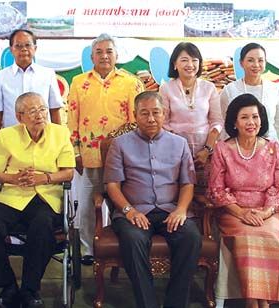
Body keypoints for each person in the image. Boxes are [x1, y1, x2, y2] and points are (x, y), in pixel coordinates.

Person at [105, 91, 201, 308]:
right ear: (134, 115)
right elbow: (112, 185)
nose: (151, 118)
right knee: (132, 239)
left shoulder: (179, 143)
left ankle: (175, 303)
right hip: (134, 211)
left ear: (164, 114)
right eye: (144, 113)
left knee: (191, 237)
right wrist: (129, 210)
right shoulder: (120, 144)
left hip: (170, 210)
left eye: (156, 113)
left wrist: (181, 210)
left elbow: (188, 183)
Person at [0, 92, 75, 308]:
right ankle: (8, 285)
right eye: (32, 111)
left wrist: (45, 178)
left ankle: (30, 289)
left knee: (43, 226)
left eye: (42, 109)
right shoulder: (6, 136)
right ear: (19, 116)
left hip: (45, 195)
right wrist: (13, 178)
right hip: (11, 195)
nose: (40, 115)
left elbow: (68, 172)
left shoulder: (60, 134)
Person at [207, 93, 279, 308]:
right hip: (233, 211)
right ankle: (253, 302)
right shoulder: (223, 149)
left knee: (269, 234)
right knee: (248, 236)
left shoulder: (273, 147)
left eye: (255, 117)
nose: (251, 123)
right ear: (234, 122)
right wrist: (242, 213)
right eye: (245, 118)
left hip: (267, 210)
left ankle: (263, 303)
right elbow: (216, 189)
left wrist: (265, 212)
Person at [67, 33, 144, 264]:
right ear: (91, 56)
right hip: (89, 156)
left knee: (124, 202)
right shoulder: (79, 82)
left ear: (117, 55)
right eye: (99, 52)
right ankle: (89, 249)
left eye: (109, 51)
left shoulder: (131, 83)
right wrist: (76, 152)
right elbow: (72, 119)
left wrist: (124, 147)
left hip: (124, 158)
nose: (104, 56)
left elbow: (136, 121)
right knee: (89, 204)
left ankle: (123, 247)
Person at [159, 42, 223, 194]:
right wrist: (181, 150)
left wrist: (207, 150)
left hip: (207, 152)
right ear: (175, 64)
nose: (190, 64)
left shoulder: (209, 88)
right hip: (175, 151)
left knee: (206, 194)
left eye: (194, 60)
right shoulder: (166, 88)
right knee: (179, 193)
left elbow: (217, 121)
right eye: (184, 60)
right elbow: (163, 123)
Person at [0, 29, 63, 135]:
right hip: (12, 137)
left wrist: (59, 139)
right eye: (18, 46)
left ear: (35, 48)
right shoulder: (0, 77)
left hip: (42, 137)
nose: (24, 49)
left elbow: (54, 110)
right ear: (11, 50)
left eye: (28, 45)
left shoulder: (47, 74)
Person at [220, 43, 279, 143]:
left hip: (269, 147)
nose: (256, 65)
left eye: (260, 60)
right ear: (241, 63)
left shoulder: (275, 89)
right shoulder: (230, 90)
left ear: (265, 63)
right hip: (239, 148)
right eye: (250, 60)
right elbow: (225, 123)